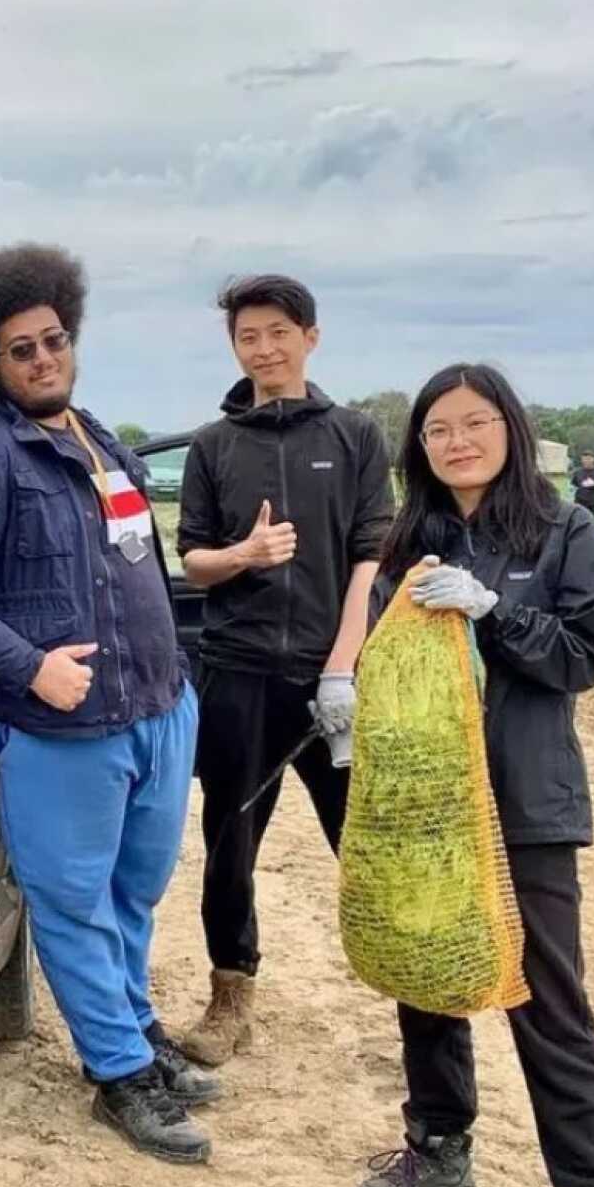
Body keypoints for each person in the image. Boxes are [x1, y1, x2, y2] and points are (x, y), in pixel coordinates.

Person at [0, 244, 218, 1167]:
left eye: (52, 341)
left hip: (157, 711)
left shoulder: (101, 439)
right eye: (20, 351)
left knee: (134, 891)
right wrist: (29, 665)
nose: (43, 359)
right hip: (65, 730)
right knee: (75, 904)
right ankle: (120, 1075)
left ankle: (137, 1026)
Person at [352, 363, 594, 1187]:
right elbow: (387, 658)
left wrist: (492, 613)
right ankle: (438, 1148)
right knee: (425, 978)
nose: (457, 442)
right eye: (438, 430)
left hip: (525, 805)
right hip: (429, 809)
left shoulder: (565, 533)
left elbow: (581, 659)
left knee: (548, 1004)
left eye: (474, 423)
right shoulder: (416, 538)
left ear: (509, 429)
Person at [174, 274, 394, 1067]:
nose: (263, 348)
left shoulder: (354, 436)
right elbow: (192, 558)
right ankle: (232, 999)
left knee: (367, 842)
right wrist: (244, 555)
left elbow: (373, 553)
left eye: (277, 332)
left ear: (310, 336)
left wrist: (343, 668)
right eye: (247, 337)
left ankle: (416, 996)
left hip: (331, 681)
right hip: (237, 673)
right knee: (228, 840)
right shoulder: (215, 444)